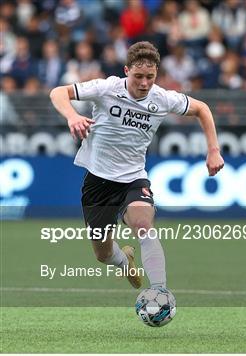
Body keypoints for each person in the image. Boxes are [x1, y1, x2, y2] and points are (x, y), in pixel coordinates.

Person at [49, 41, 224, 290]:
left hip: (133, 179)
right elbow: (58, 92)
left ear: (157, 75)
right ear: (126, 70)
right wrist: (73, 116)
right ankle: (123, 261)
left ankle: (160, 291)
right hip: (98, 181)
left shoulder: (162, 98)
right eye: (139, 76)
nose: (144, 83)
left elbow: (202, 109)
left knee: (143, 225)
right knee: (103, 254)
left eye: (150, 77)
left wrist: (213, 151)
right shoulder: (106, 87)